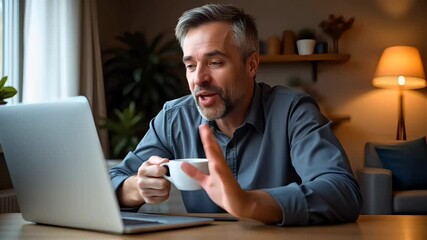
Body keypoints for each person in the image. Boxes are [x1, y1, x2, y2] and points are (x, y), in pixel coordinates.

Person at [109, 3, 362, 226]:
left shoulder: (293, 111)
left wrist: (250, 204)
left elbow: (342, 192)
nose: (199, 78)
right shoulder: (175, 118)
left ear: (251, 65)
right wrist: (135, 188)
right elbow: (110, 182)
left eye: (215, 62)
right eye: (190, 65)